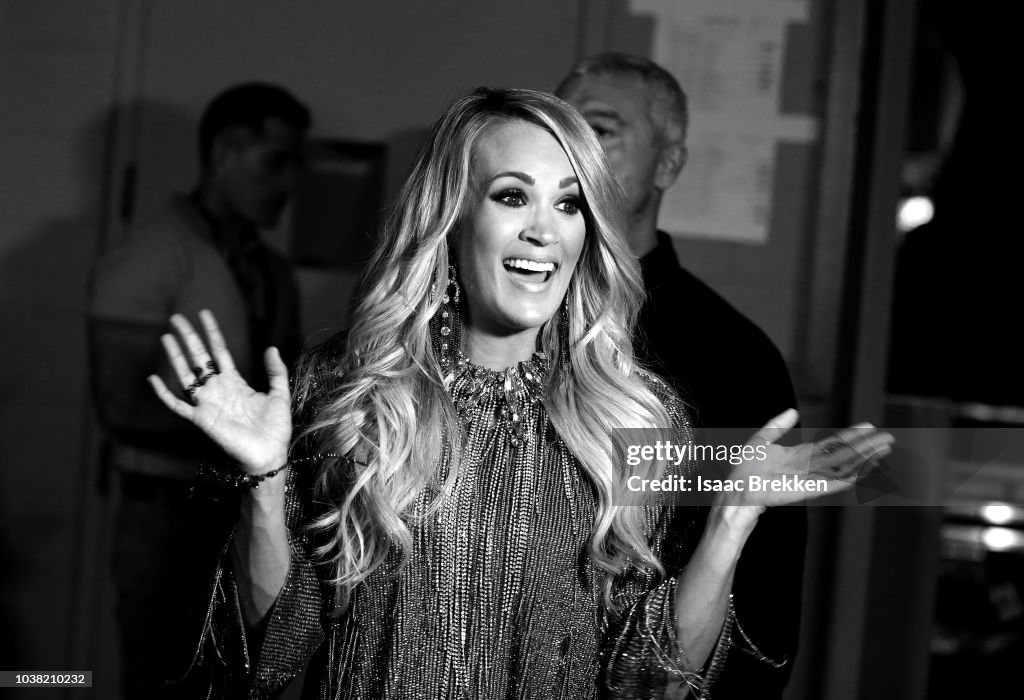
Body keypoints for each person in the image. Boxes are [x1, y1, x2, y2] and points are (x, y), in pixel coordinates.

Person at [149, 87, 891, 699]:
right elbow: (275, 649)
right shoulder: (350, 396)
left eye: (569, 205)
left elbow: (651, 679)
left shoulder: (625, 418)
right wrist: (265, 480)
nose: (545, 231)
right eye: (513, 196)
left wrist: (731, 520)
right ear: (451, 220)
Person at [556, 53, 807, 698]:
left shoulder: (730, 356)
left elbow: (760, 593)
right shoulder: (493, 307)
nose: (571, 149)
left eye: (602, 129)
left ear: (668, 163)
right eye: (558, 126)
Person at [88, 82, 310, 698]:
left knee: (234, 684)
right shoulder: (151, 253)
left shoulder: (271, 270)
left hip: (246, 509)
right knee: (160, 679)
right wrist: (231, 434)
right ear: (222, 155)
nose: (289, 185)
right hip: (166, 514)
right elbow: (120, 403)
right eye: (276, 162)